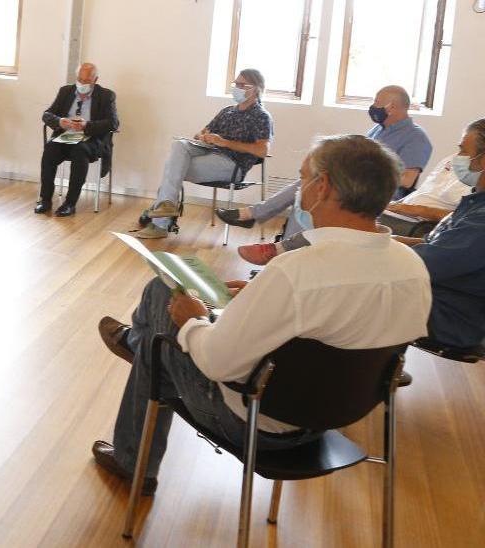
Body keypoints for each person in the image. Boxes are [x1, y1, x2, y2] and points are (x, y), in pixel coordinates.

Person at [93, 135, 430, 495]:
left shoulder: (297, 270)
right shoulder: (413, 268)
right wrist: (258, 299)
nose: (301, 189)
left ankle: (133, 455)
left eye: (304, 178)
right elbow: (339, 322)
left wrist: (191, 320)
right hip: (335, 417)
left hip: (257, 423)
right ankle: (139, 344)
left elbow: (216, 364)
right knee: (162, 336)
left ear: (324, 186)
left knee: (163, 297)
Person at [219, 85, 433, 264]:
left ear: (392, 107)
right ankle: (284, 251)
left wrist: (365, 175)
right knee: (308, 188)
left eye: (377, 102)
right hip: (352, 186)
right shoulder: (378, 130)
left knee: (312, 189)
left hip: (376, 196)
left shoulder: (416, 138)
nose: (373, 107)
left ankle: (269, 233)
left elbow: (407, 179)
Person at [133, 68, 272, 239]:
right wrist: (204, 137)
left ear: (256, 89)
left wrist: (225, 142)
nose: (237, 88)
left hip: (232, 164)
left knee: (173, 168)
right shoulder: (227, 111)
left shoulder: (261, 116)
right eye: (236, 84)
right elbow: (201, 132)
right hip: (208, 152)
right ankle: (163, 209)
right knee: (179, 145)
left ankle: (161, 217)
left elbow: (262, 150)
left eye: (242, 85)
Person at [392, 119, 485, 350]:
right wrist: (384, 240)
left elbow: (425, 263)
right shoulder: (476, 202)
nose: (458, 157)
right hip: (438, 298)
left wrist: (375, 251)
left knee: (355, 296)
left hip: (451, 317)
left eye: (463, 150)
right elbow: (437, 246)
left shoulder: (481, 219)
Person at [35, 62, 119, 217]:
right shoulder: (66, 91)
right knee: (50, 150)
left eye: (86, 81)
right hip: (65, 136)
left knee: (79, 152)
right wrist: (60, 121)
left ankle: (69, 204)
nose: (81, 84)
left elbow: (113, 123)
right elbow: (47, 114)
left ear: (95, 80)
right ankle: (45, 200)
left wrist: (87, 125)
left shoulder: (106, 95)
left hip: (90, 140)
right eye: (79, 80)